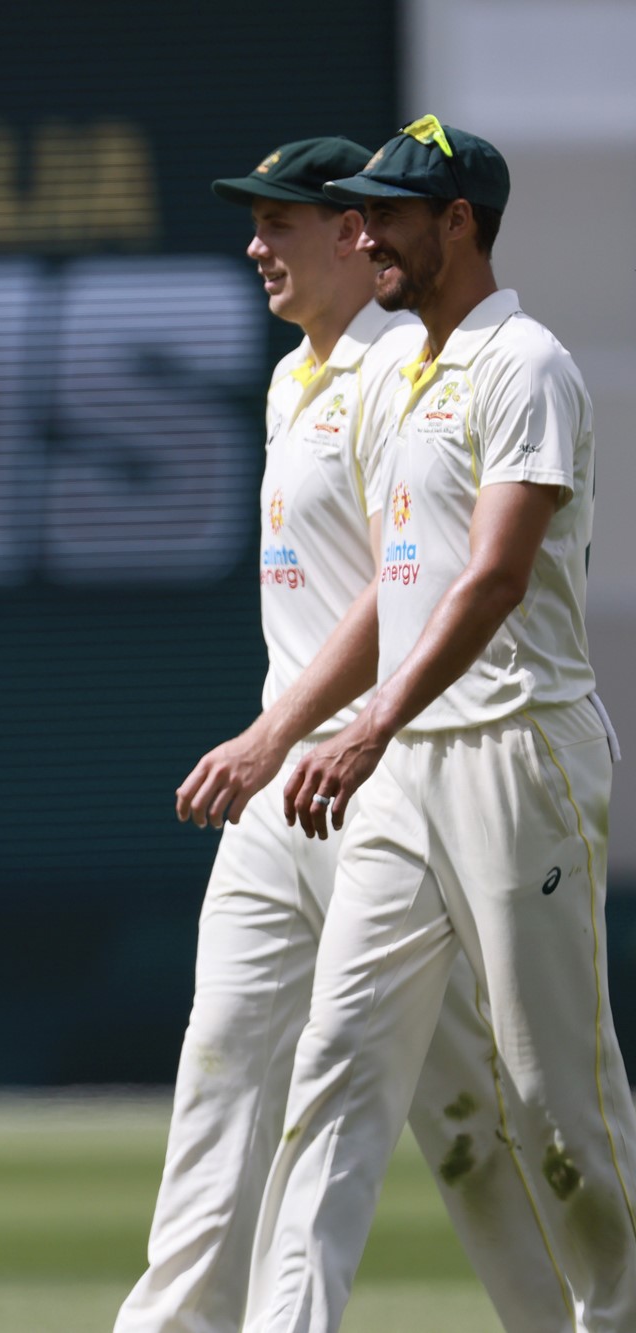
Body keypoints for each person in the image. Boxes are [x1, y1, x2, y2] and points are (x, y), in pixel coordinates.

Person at [117, 139, 574, 1333]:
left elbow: (407, 587)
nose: (256, 247)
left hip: (380, 775)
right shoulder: (292, 379)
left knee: (471, 1121)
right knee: (224, 1074)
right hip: (291, 786)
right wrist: (278, 740)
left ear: (347, 234)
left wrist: (288, 731)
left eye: (279, 223)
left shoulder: (404, 373)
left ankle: (576, 1312)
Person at [248, 118, 636, 1332]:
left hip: (515, 754)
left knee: (551, 1100)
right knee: (337, 1061)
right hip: (408, 766)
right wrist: (373, 734)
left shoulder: (523, 362)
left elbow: (494, 579)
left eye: (386, 214)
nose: (360, 231)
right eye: (354, 213)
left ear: (455, 220)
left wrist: (364, 726)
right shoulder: (411, 370)